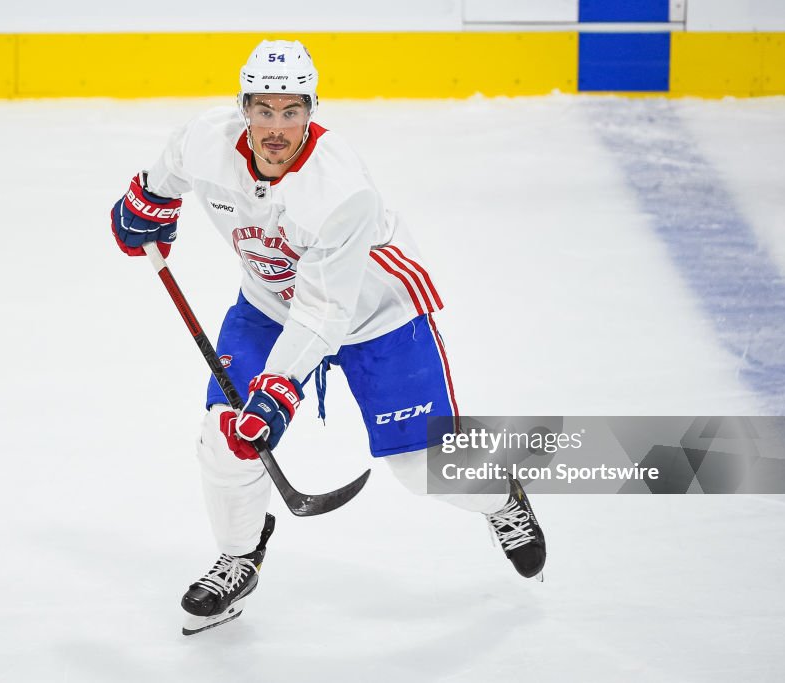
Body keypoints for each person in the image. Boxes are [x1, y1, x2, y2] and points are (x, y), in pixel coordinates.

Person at [110, 39, 546, 635]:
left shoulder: (340, 189)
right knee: (226, 436)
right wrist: (150, 201)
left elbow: (323, 311)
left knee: (420, 466)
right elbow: (171, 166)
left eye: (292, 111)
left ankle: (503, 501)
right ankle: (239, 558)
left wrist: (275, 390)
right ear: (244, 107)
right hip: (267, 305)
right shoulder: (206, 140)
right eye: (264, 109)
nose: (276, 127)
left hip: (377, 316)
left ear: (312, 110)